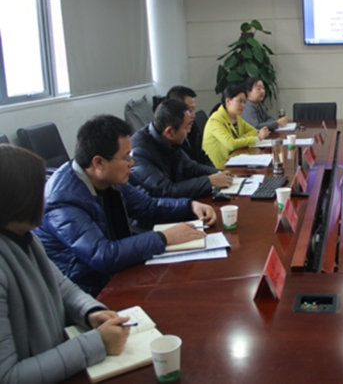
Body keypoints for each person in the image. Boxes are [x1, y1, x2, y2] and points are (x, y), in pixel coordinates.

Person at [34, 115, 216, 296]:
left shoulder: (109, 178)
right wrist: (164, 237)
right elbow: (103, 255)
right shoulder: (62, 200)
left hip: (116, 274)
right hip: (87, 291)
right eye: (125, 157)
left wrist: (190, 206)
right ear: (98, 162)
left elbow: (148, 206)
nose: (132, 162)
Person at [0, 144, 131, 384]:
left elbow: (63, 287)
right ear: (17, 198)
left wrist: (91, 312)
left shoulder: (27, 237)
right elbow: (8, 376)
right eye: (37, 190)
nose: (44, 197)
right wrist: (97, 343)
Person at [130, 99, 232, 198]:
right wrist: (209, 181)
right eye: (186, 127)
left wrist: (218, 173)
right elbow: (166, 190)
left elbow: (191, 167)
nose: (189, 131)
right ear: (169, 132)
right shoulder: (140, 152)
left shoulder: (168, 138)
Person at [203, 83, 270, 169]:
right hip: (219, 166)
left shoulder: (236, 117)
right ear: (228, 101)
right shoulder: (215, 120)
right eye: (240, 101)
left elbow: (253, 131)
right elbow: (231, 144)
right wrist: (257, 138)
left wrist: (239, 139)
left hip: (235, 158)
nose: (243, 105)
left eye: (244, 102)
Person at [165, 85, 213, 166]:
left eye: (194, 109)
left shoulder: (193, 127)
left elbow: (202, 157)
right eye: (189, 110)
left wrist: (217, 171)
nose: (193, 115)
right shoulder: (171, 136)